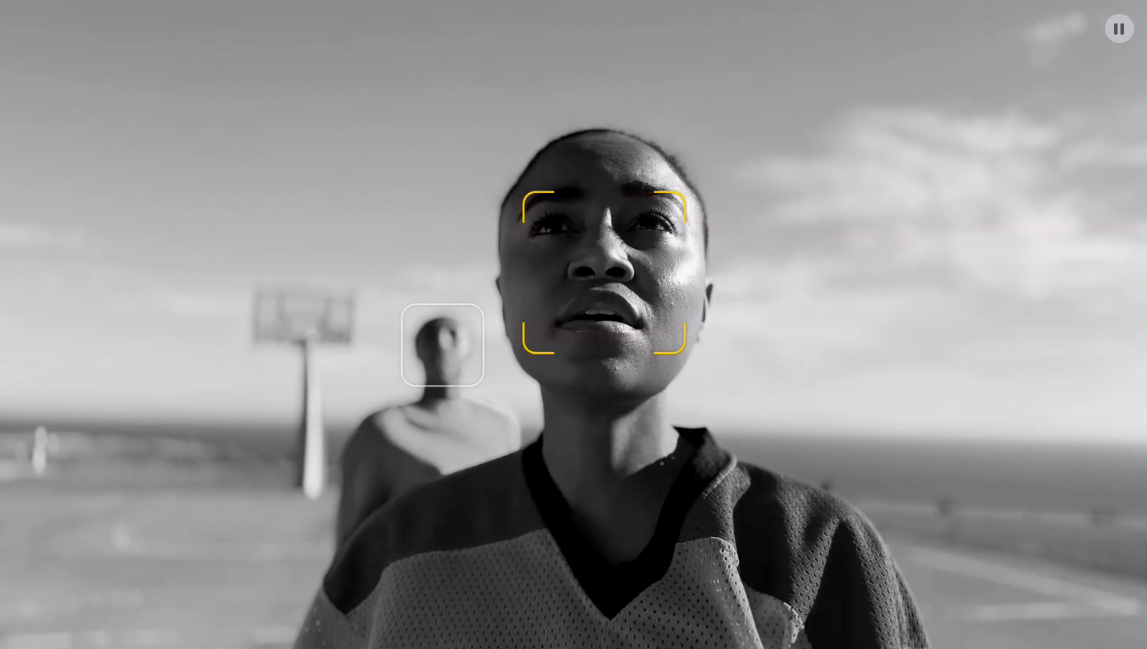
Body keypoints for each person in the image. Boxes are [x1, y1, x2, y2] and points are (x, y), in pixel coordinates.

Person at [296, 129, 929, 648]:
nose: (601, 254)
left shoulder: (817, 555)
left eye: (650, 220)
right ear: (505, 302)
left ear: (703, 306)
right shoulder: (388, 562)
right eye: (552, 225)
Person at [334, 315, 521, 550]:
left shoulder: (502, 425)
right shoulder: (383, 428)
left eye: (453, 335)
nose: (442, 343)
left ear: (471, 350)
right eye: (431, 336)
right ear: (418, 350)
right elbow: (353, 534)